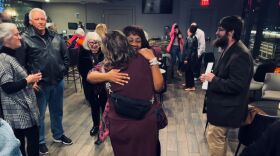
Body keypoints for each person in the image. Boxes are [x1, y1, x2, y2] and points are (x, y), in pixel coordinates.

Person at [87, 31, 164, 156]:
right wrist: (153, 59)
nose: (134, 44)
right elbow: (159, 87)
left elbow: (90, 76)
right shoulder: (145, 58)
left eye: (137, 40)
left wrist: (107, 75)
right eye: (131, 40)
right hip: (145, 122)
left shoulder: (107, 66)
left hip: (120, 123)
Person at [17, 8, 72, 155]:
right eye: (37, 19)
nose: (41, 22)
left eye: (43, 19)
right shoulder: (24, 39)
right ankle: (40, 141)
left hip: (58, 81)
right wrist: (30, 80)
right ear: (30, 21)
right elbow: (20, 64)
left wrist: (63, 71)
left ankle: (58, 134)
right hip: (39, 85)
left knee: (57, 111)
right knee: (39, 115)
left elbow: (66, 57)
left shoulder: (56, 37)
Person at [200, 15, 253, 156]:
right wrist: (209, 77)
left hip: (226, 110)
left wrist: (213, 79)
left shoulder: (241, 54)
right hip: (221, 106)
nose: (217, 33)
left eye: (220, 29)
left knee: (216, 138)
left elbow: (237, 85)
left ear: (231, 32)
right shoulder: (229, 49)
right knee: (215, 137)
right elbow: (225, 75)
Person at [0, 23, 42, 156]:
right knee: (28, 144)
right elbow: (7, 87)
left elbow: (14, 81)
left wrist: (29, 84)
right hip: (18, 111)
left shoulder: (11, 56)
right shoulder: (3, 59)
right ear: (6, 38)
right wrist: (28, 80)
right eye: (16, 34)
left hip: (23, 109)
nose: (20, 37)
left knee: (24, 144)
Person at [78, 32, 107, 144]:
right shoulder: (83, 53)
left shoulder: (103, 52)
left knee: (104, 106)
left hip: (103, 85)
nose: (95, 45)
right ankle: (96, 126)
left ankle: (104, 126)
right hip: (90, 85)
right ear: (87, 43)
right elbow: (82, 71)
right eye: (92, 42)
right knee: (94, 106)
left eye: (97, 42)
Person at [182, 25, 198, 91]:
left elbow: (189, 50)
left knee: (189, 72)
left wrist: (186, 59)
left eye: (188, 29)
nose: (187, 30)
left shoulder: (190, 39)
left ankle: (191, 86)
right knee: (188, 71)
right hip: (192, 58)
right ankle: (188, 84)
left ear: (190, 31)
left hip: (190, 58)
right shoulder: (193, 37)